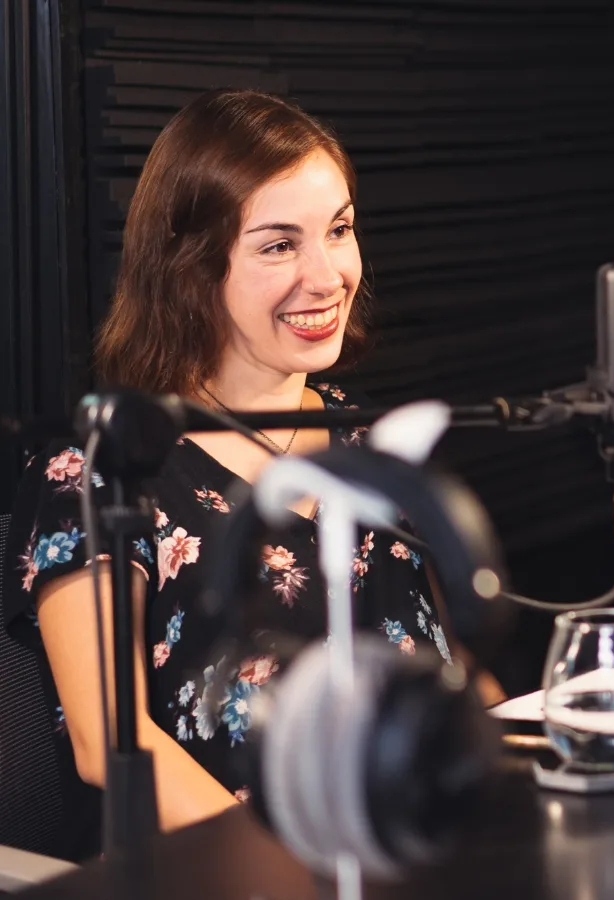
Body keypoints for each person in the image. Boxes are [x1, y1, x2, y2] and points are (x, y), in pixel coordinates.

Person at [6, 89, 502, 851]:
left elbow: (453, 666)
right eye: (278, 246)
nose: (327, 276)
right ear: (190, 268)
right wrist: (289, 872)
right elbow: (109, 739)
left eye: (339, 230)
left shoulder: (369, 438)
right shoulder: (101, 467)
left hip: (415, 852)